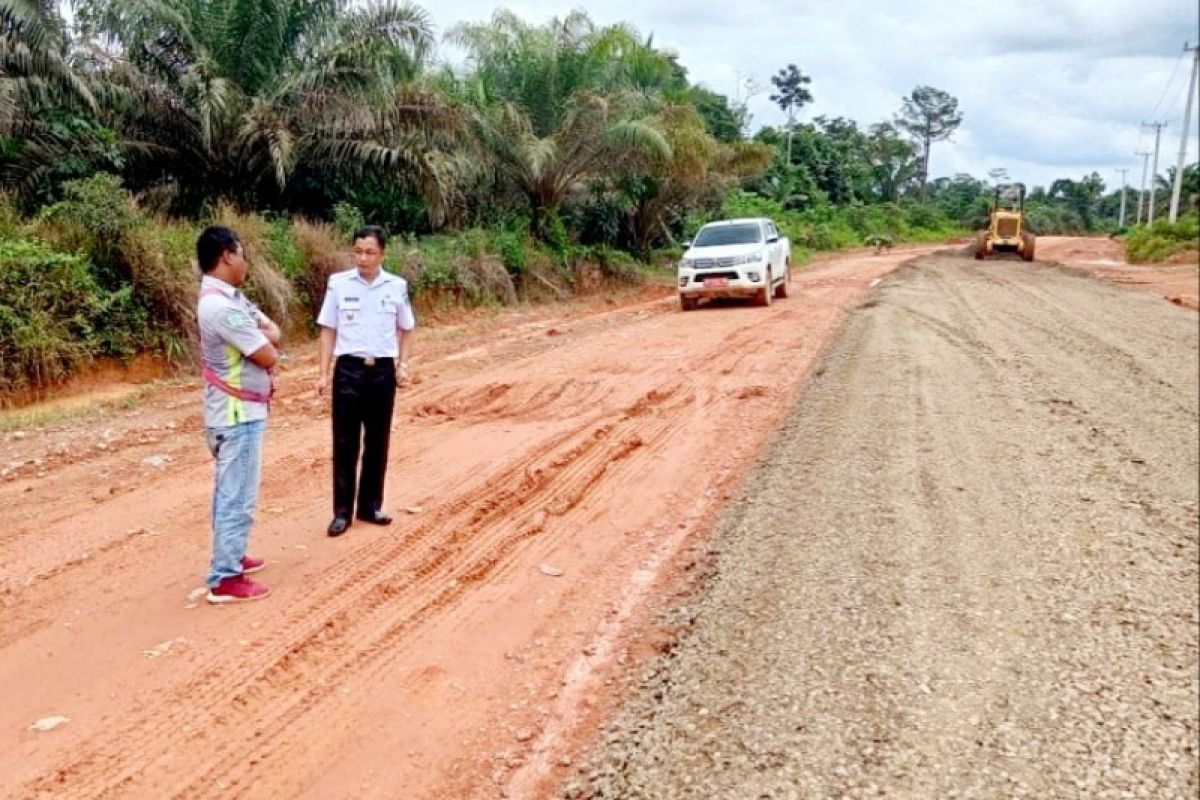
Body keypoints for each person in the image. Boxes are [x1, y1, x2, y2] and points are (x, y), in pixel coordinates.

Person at [196, 226, 281, 603]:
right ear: (227, 255)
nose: (246, 261)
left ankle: (234, 556)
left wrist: (265, 337)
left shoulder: (230, 299)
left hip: (234, 411)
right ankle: (225, 577)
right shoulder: (222, 307)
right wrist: (265, 341)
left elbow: (271, 333)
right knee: (236, 495)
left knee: (230, 491)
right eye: (242, 253)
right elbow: (268, 352)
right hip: (236, 414)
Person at [316, 225, 415, 537]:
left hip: (382, 371)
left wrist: (404, 364)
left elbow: (407, 328)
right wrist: (323, 372)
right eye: (358, 251)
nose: (363, 258)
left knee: (377, 441)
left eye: (370, 252)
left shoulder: (396, 286)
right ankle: (342, 512)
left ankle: (370, 506)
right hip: (348, 369)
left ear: (382, 253)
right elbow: (327, 329)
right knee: (345, 441)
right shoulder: (339, 284)